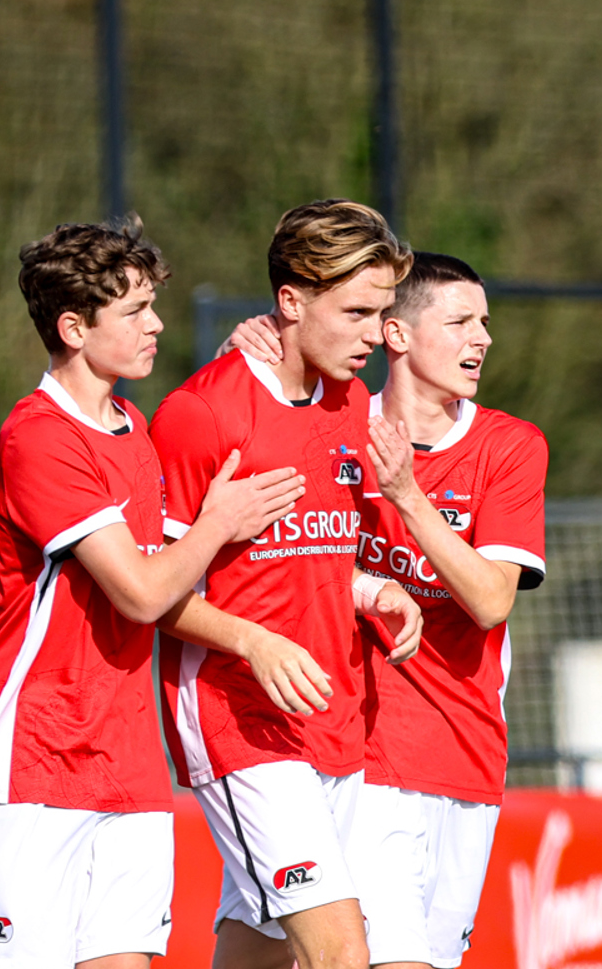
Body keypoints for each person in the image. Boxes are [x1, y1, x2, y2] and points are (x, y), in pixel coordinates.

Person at [0, 221, 310, 969]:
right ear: (73, 328)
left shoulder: (136, 428)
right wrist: (219, 522)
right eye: (134, 311)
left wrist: (239, 365)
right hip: (35, 766)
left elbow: (172, 567)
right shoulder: (39, 437)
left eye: (154, 305)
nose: (156, 324)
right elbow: (144, 594)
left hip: (130, 767)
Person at [225, 252, 547, 969]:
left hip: (465, 756)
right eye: (460, 322)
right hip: (351, 754)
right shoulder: (334, 423)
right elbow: (279, 546)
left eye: (485, 322)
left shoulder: (509, 446)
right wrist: (241, 351)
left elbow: (491, 600)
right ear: (397, 335)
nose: (483, 338)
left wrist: (406, 495)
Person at [155, 200, 425, 969]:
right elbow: (152, 592)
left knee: (261, 952)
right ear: (290, 301)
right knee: (341, 952)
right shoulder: (200, 413)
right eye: (357, 313)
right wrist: (253, 643)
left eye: (382, 313)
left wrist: (373, 592)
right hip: (241, 721)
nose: (375, 335)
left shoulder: (350, 402)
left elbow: (318, 554)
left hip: (333, 718)